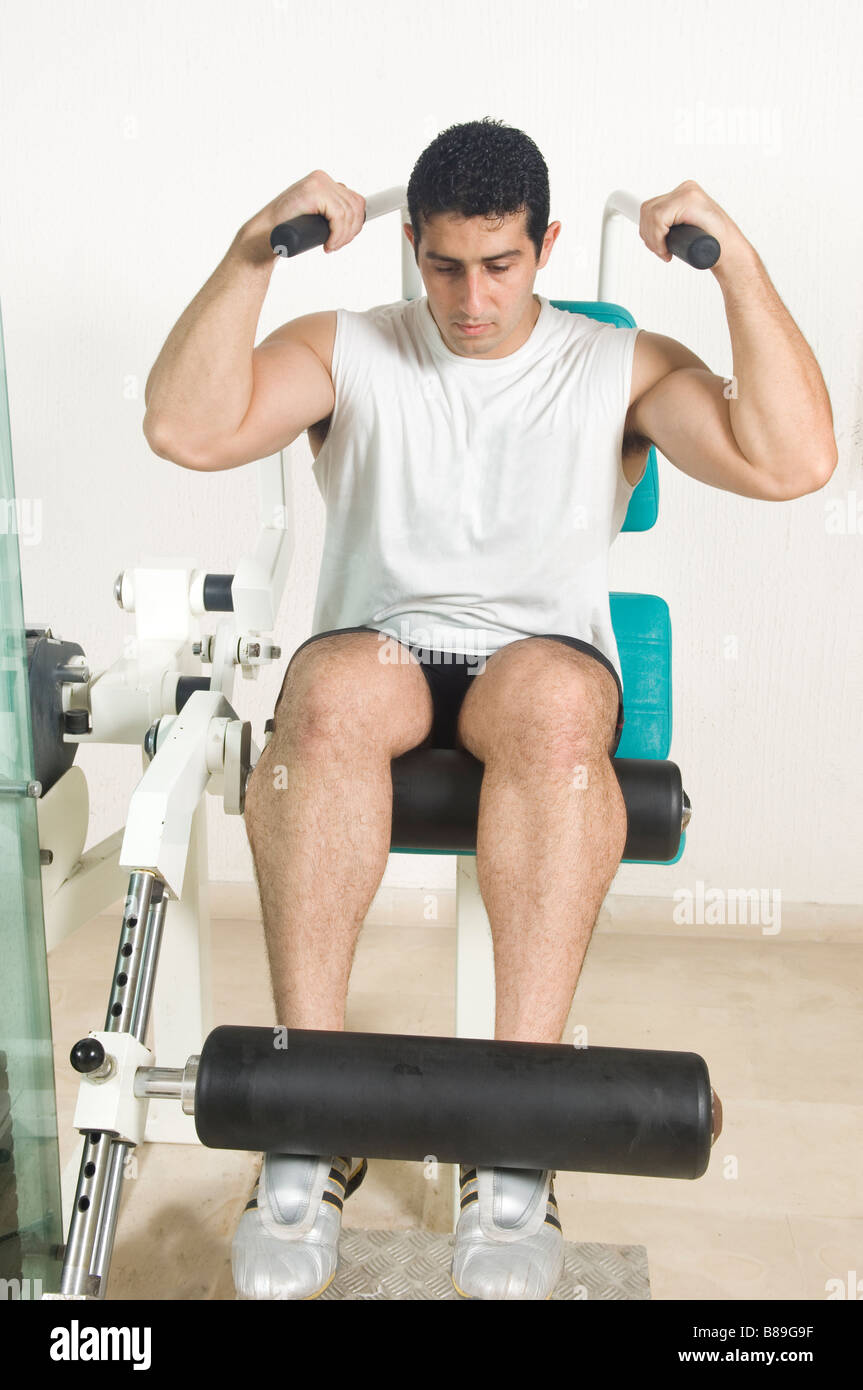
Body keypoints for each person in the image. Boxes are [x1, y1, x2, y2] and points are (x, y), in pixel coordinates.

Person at [143, 118, 837, 1301]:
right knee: (329, 689)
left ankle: (513, 1150)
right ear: (411, 246)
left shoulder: (615, 366)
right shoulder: (347, 347)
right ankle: (311, 1127)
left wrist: (739, 265)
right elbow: (183, 426)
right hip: (380, 659)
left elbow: (792, 461)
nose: (472, 297)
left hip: (540, 670)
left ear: (547, 244)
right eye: (445, 265)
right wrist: (252, 247)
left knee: (557, 697)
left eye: (501, 264)